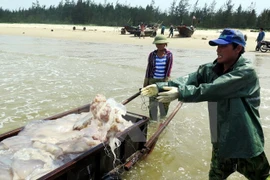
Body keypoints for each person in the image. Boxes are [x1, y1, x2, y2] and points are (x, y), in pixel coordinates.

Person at [141, 28, 270, 179]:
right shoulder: (211, 70)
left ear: (238, 48)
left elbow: (214, 89)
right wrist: (160, 86)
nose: (218, 50)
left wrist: (180, 92)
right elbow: (190, 79)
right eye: (217, 45)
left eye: (223, 46)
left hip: (246, 144)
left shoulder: (246, 72)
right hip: (220, 144)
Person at [143, 35, 173, 120]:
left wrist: (166, 83)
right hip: (153, 81)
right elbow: (148, 69)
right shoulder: (152, 55)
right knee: (152, 104)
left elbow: (168, 70)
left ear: (165, 44)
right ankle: (153, 121)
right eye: (157, 44)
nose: (159, 46)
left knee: (164, 102)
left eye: (161, 44)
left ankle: (163, 120)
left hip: (164, 81)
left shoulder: (169, 55)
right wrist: (146, 83)